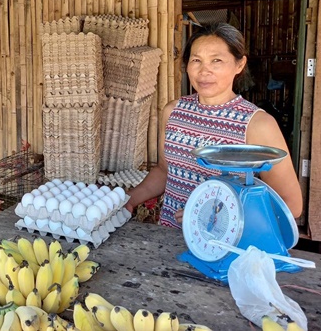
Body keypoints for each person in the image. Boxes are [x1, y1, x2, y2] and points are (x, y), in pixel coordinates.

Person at [125, 23, 303, 228]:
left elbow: (291, 204)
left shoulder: (257, 124)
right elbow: (165, 171)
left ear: (239, 64)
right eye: (196, 60)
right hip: (169, 237)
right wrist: (129, 199)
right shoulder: (173, 111)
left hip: (225, 245)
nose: (204, 70)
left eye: (216, 60)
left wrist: (217, 212)